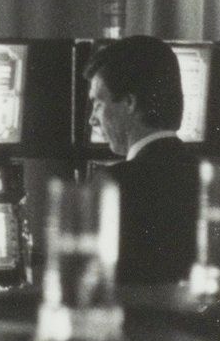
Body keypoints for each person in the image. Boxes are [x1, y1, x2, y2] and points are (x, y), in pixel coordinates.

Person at [85, 34, 199, 288]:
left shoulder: (112, 184)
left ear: (129, 103)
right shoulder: (208, 177)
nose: (93, 119)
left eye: (98, 104)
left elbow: (90, 285)